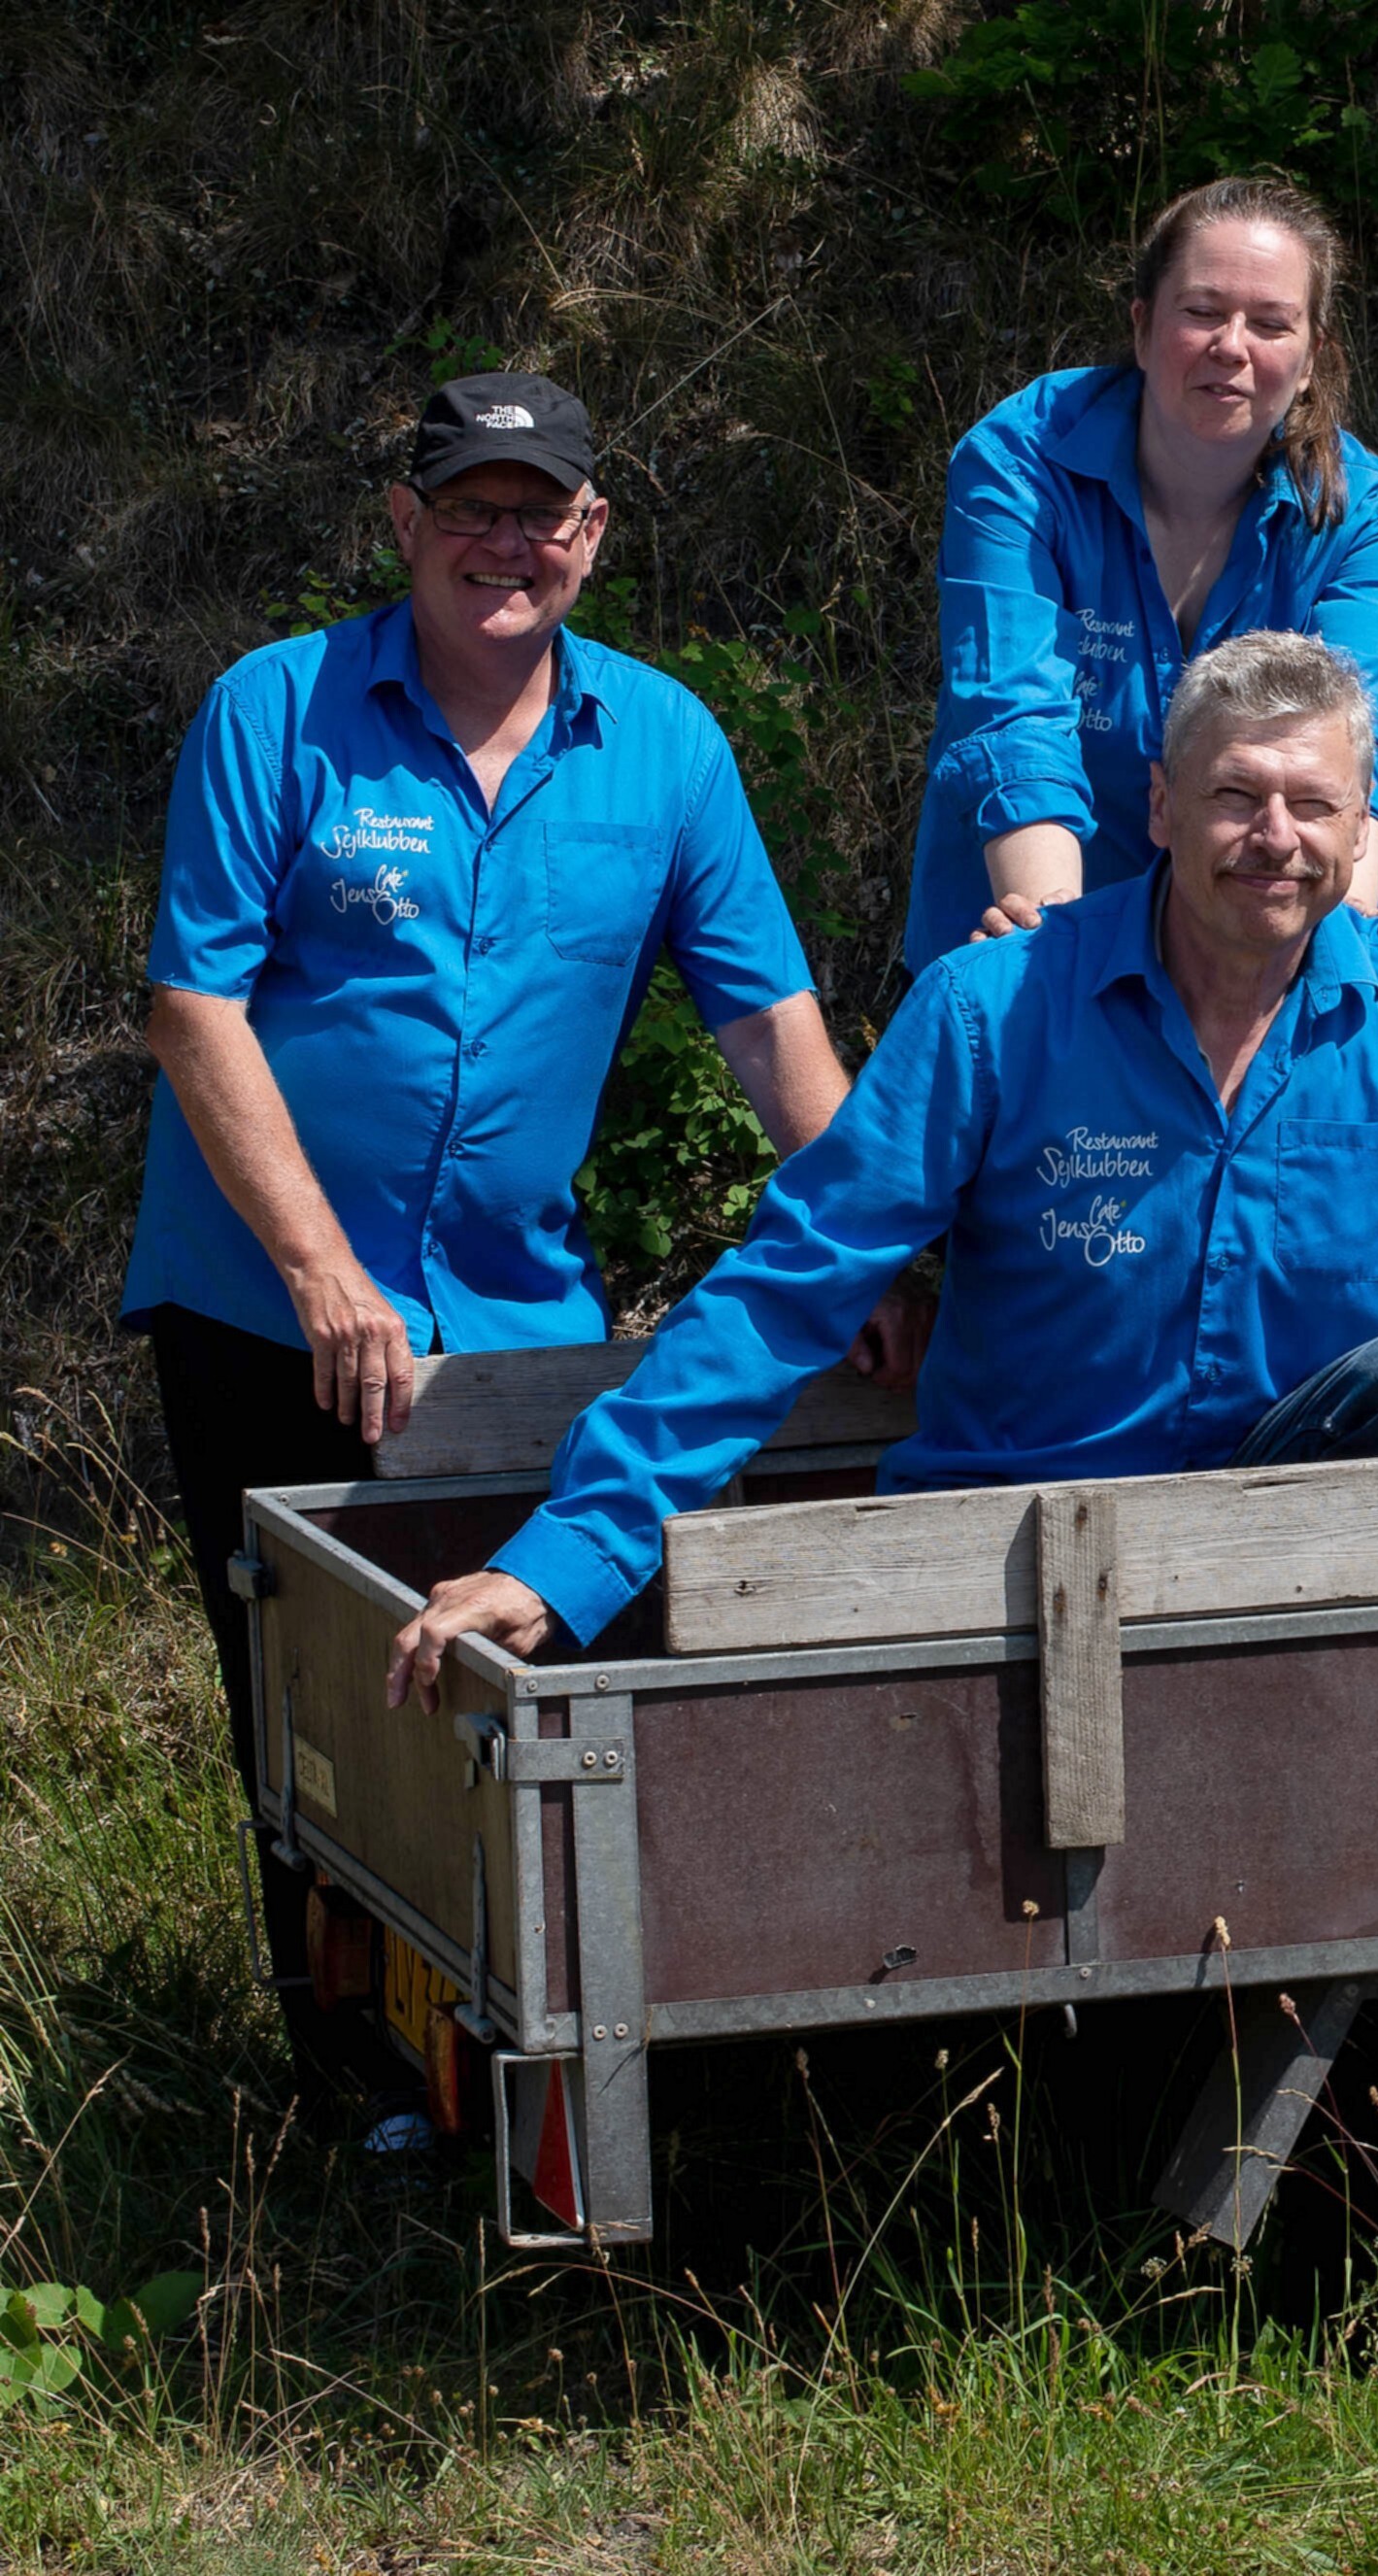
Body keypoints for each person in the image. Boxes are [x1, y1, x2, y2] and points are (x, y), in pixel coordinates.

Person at [387, 631, 1378, 1684]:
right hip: (1009, 1555)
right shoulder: (998, 1007)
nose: (1272, 838)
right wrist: (572, 1557)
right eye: (1233, 795)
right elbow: (785, 1293)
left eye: (1312, 806)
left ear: (1365, 828)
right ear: (1156, 805)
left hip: (1279, 1568)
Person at [130, 370, 902, 2105]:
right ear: (404, 525)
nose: (506, 543)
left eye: (539, 512)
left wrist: (864, 1248)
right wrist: (326, 1272)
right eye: (469, 508)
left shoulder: (666, 745)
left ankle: (528, 2045)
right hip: (264, 1305)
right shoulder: (281, 710)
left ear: (593, 536)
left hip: (513, 1316)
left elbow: (773, 1030)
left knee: (510, 1676)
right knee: (309, 1704)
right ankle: (350, 2085)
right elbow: (197, 1007)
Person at [900, 176, 1378, 976]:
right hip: (1029, 933)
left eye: (1272, 323)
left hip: (1248, 958)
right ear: (1142, 328)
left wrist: (1338, 945)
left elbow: (1359, 746)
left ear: (1314, 357)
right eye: (1202, 312)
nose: (1233, 346)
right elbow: (1009, 713)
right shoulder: (1017, 462)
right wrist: (1057, 962)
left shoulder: (1366, 512)